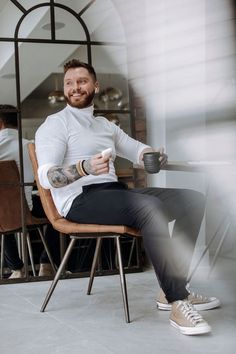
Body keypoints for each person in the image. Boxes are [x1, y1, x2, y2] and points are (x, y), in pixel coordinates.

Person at [35, 59, 220, 336]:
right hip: (78, 200)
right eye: (69, 83)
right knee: (150, 207)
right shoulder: (56, 124)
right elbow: (46, 176)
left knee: (192, 199)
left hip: (112, 194)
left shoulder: (104, 125)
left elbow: (136, 149)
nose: (75, 87)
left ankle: (170, 287)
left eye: (82, 81)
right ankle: (177, 301)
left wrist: (152, 154)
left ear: (95, 86)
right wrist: (83, 168)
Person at [0, 105, 60, 278]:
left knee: (3, 213)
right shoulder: (31, 147)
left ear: (1, 122)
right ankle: (46, 263)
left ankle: (16, 268)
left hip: (3, 217)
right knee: (60, 211)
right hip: (28, 211)